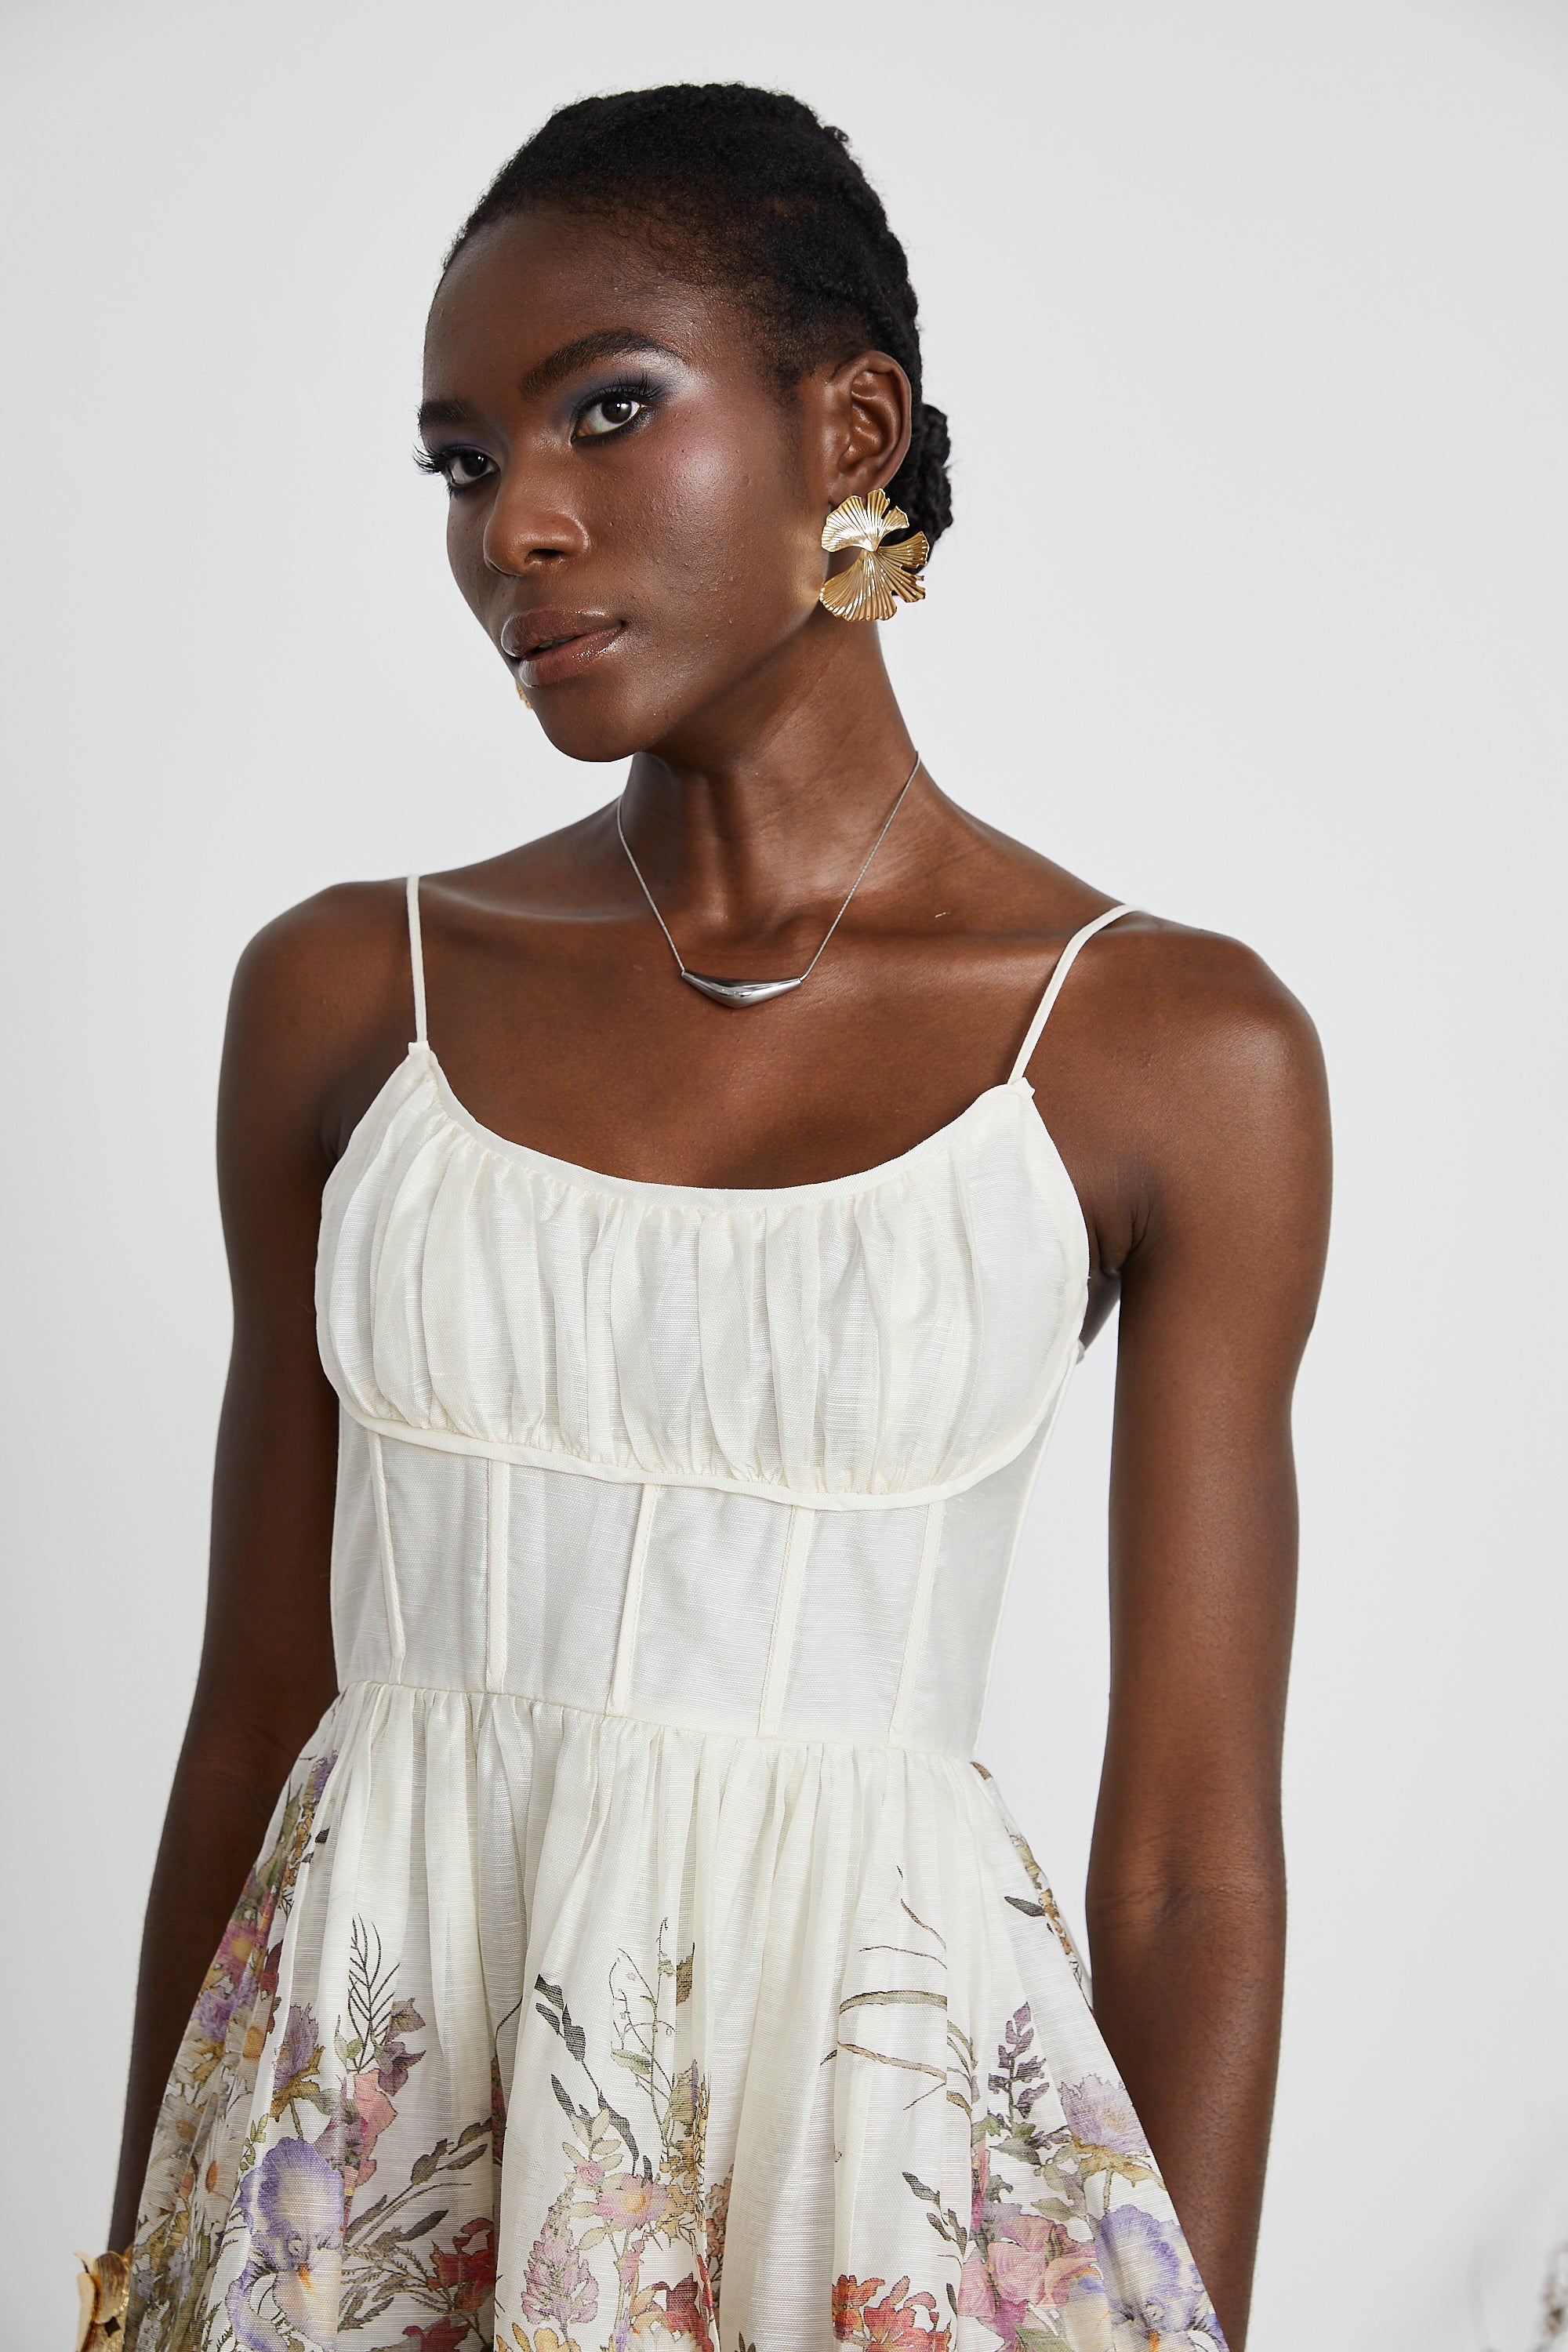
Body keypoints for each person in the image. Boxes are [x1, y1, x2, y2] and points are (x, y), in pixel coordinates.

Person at [90, 82, 1330, 2352]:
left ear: (852, 433)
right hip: (360, 2182)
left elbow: (1186, 1859)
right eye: (462, 462)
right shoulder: (350, 996)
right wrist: (132, 2282)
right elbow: (254, 1721)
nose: (517, 526)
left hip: (863, 2176)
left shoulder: (1166, 1048)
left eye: (608, 411)